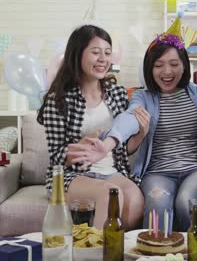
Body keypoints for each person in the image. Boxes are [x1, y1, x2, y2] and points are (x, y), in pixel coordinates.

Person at [73, 15, 197, 231]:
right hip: (157, 172)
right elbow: (128, 119)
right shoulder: (143, 97)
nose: (167, 72)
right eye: (158, 65)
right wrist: (108, 144)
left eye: (174, 64)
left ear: (184, 66)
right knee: (157, 204)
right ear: (149, 68)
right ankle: (156, 254)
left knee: (186, 201)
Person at [37, 25, 145, 230]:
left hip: (113, 170)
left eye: (107, 53)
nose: (103, 59)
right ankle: (94, 252)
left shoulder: (118, 93)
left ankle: (114, 252)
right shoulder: (58, 100)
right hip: (73, 176)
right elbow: (57, 156)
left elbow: (122, 148)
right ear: (77, 55)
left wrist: (140, 134)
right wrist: (81, 148)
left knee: (136, 200)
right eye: (95, 53)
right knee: (111, 193)